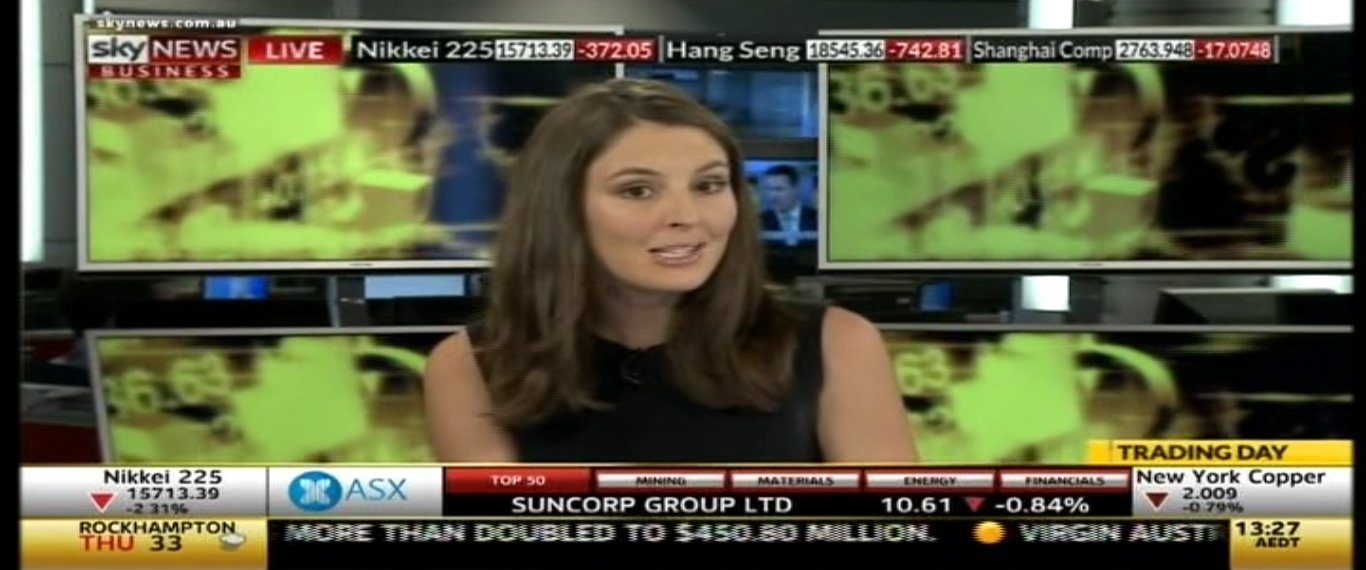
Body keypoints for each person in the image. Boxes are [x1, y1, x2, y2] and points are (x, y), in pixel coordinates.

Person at [424, 79, 915, 463]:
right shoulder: (470, 365)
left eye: (709, 185)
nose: (687, 216)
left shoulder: (838, 345)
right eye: (638, 190)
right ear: (561, 208)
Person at [758, 164, 819, 246]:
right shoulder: (758, 221)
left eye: (778, 189)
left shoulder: (818, 218)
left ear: (796, 188)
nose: (772, 196)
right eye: (769, 189)